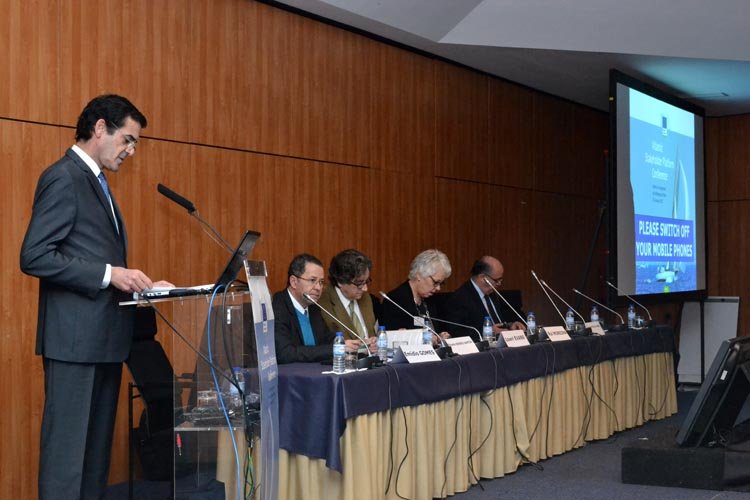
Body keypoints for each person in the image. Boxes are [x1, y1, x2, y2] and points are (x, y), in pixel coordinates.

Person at [19, 94, 173, 500]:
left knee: (93, 462)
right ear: (100, 128)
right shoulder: (64, 177)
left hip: (106, 341)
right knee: (67, 462)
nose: (131, 151)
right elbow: (34, 255)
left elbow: (90, 256)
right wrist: (110, 274)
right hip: (74, 346)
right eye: (128, 139)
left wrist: (136, 284)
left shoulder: (97, 182)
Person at [273, 253, 361, 364]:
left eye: (321, 282)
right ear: (294, 282)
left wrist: (351, 345)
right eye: (312, 280)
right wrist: (333, 349)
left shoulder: (313, 306)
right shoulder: (277, 307)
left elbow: (326, 339)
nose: (318, 287)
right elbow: (286, 353)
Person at [444, 256, 525, 340]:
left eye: (501, 280)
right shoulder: (459, 298)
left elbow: (507, 315)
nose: (499, 284)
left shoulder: (493, 293)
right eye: (497, 280)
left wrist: (512, 324)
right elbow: (456, 332)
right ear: (483, 278)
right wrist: (488, 332)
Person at [380, 249, 452, 342]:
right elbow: (392, 339)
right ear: (419, 275)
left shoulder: (431, 299)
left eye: (441, 283)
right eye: (435, 282)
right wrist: (421, 339)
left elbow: (436, 330)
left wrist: (439, 337)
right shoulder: (395, 300)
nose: (438, 288)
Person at [318, 249, 378, 352]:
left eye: (366, 281)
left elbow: (371, 334)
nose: (365, 289)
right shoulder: (323, 303)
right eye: (359, 283)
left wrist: (374, 341)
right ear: (340, 281)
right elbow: (324, 344)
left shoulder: (365, 298)